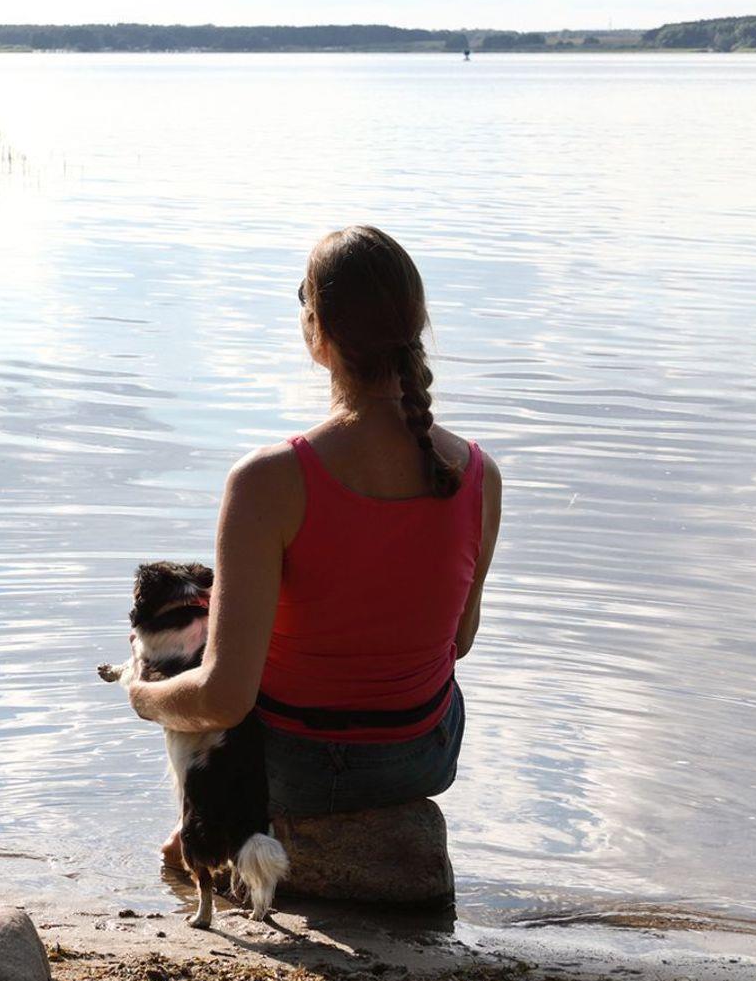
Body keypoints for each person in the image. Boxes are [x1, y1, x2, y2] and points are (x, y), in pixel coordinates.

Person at [127, 225, 502, 858]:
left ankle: (215, 825)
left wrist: (143, 696)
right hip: (425, 755)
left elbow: (223, 699)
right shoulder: (479, 475)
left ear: (316, 330)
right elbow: (458, 642)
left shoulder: (266, 481)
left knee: (186, 639)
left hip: (294, 771)